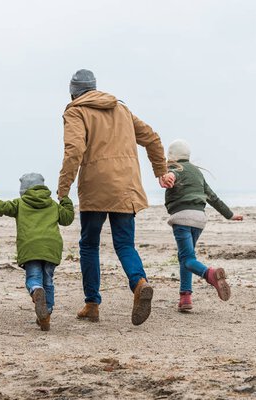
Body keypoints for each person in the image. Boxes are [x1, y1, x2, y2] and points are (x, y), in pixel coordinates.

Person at [57, 69, 175, 326]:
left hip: (96, 187)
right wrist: (161, 171)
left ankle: (92, 304)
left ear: (73, 92)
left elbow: (74, 150)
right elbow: (153, 138)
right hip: (126, 187)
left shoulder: (75, 111)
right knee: (125, 244)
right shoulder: (121, 110)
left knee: (89, 245)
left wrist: (63, 190)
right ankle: (139, 282)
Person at [0, 173, 75, 331]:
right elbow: (67, 218)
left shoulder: (20, 203)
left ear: (22, 190)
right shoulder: (53, 205)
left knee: (34, 279)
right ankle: (46, 315)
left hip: (31, 248)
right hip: (51, 248)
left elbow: (0, 206)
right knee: (49, 282)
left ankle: (35, 290)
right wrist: (64, 199)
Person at [165, 139, 243, 312]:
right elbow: (212, 197)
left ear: (171, 156)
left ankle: (210, 274)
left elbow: (173, 176)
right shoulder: (197, 173)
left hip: (182, 219)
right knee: (185, 257)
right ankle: (185, 298)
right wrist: (230, 215)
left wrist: (169, 176)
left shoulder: (174, 168)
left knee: (187, 259)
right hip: (199, 219)